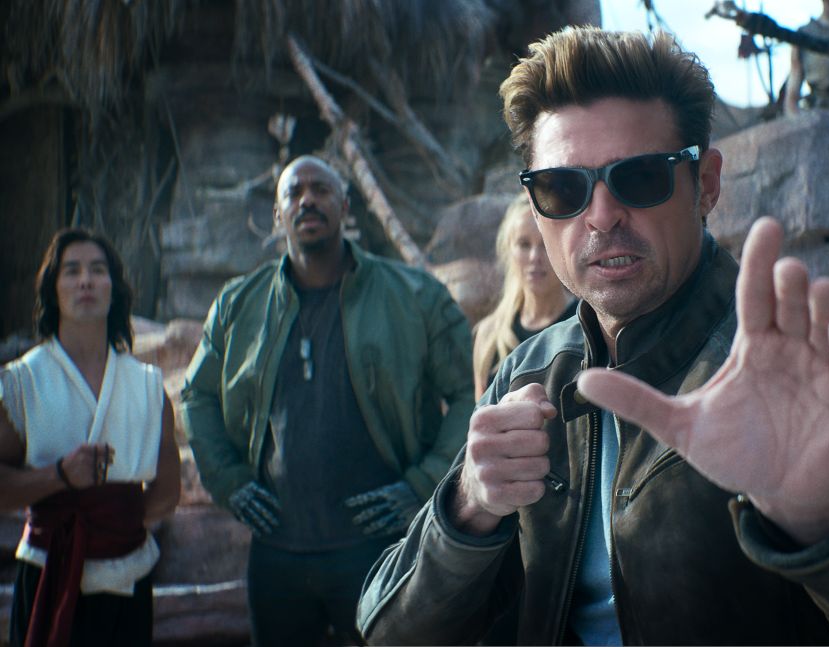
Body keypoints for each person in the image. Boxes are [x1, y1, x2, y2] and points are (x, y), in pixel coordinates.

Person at [357, 26, 829, 645]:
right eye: (562, 187)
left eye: (640, 177)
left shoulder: (804, 362)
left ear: (707, 184)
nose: (601, 216)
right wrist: (467, 509)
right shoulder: (526, 374)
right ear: (535, 207)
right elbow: (386, 630)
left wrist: (825, 517)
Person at [180, 155, 474, 646]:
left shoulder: (414, 295)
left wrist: (422, 483)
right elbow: (196, 395)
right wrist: (229, 480)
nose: (307, 200)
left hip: (381, 545)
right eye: (294, 193)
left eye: (320, 189)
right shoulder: (239, 304)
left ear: (345, 205)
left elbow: (469, 394)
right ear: (278, 214)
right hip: (277, 553)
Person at [0, 228, 181, 647]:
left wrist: (113, 525)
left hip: (127, 581)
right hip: (46, 574)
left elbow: (167, 493)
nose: (86, 281)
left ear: (113, 290)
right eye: (72, 271)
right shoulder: (23, 382)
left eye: (98, 270)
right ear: (54, 288)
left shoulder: (148, 387)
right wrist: (60, 476)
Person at [473, 193, 577, 398]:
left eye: (545, 243)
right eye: (524, 244)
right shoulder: (489, 334)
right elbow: (480, 412)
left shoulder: (586, 325)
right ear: (508, 249)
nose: (534, 257)